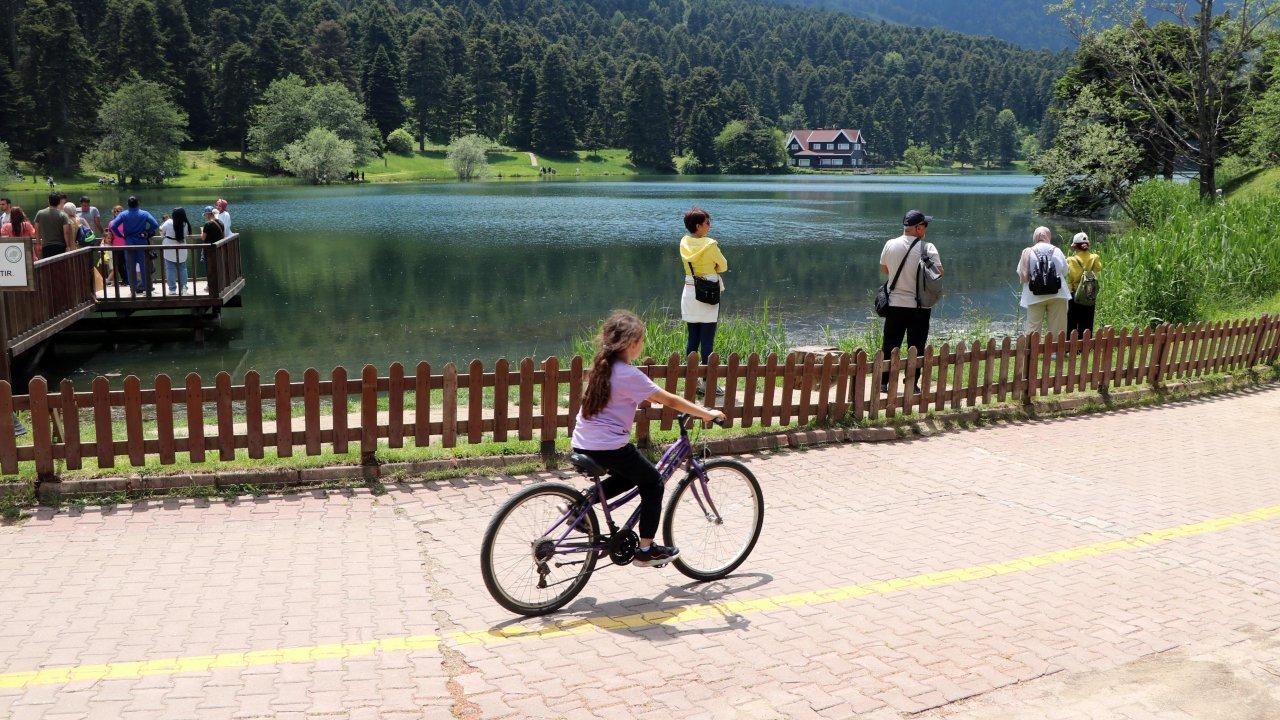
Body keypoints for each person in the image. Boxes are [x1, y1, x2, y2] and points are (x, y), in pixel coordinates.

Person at [570, 311, 725, 567]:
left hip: (583, 442)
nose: (643, 345)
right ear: (632, 344)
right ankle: (646, 550)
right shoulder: (628, 375)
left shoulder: (601, 367)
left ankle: (580, 506)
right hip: (609, 447)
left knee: (630, 475)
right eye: (641, 340)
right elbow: (669, 400)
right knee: (653, 482)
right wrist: (706, 413)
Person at [879, 209, 943, 392]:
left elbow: (884, 270)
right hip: (919, 306)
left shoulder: (890, 244)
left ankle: (884, 383)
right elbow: (939, 273)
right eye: (925, 225)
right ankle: (912, 384)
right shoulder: (927, 248)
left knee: (890, 345)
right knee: (916, 347)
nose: (926, 229)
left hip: (894, 304)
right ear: (918, 228)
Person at [679, 207, 728, 397]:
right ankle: (708, 383)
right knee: (707, 340)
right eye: (707, 222)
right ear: (699, 226)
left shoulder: (684, 242)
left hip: (690, 291)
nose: (710, 225)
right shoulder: (710, 245)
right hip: (708, 293)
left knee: (693, 338)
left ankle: (692, 381)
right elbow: (723, 266)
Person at [1018, 226, 1071, 337]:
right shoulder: (1057, 250)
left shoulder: (1028, 252)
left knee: (1033, 328)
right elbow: (1065, 271)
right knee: (1058, 329)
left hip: (1034, 295)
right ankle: (1055, 348)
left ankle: (1032, 348)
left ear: (1035, 237)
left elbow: (1021, 273)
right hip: (1058, 293)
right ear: (1048, 236)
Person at [109, 196, 159, 294]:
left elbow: (114, 226)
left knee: (130, 267)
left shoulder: (123, 214)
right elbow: (155, 224)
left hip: (129, 244)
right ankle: (147, 288)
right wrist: (147, 232)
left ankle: (133, 289)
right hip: (142, 243)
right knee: (144, 267)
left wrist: (121, 235)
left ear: (128, 205)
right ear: (138, 203)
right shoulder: (144, 213)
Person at [1066, 232, 1103, 338]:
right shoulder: (1094, 257)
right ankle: (1086, 344)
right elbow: (1099, 269)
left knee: (1072, 323)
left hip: (1074, 294)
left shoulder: (1070, 260)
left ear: (1075, 246)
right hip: (1089, 292)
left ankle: (1071, 344)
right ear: (1087, 245)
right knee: (1087, 322)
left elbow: (1068, 277)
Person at [160, 207, 192, 294]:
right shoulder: (185, 224)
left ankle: (172, 289)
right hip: (181, 246)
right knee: (183, 268)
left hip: (169, 246)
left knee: (170, 268)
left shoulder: (168, 222)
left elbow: (162, 231)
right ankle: (183, 288)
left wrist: (162, 232)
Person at [33, 193, 71, 257]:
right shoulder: (63, 215)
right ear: (59, 202)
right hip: (60, 246)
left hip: (46, 246)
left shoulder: (40, 213)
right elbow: (66, 232)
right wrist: (68, 246)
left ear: (48, 201)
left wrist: (38, 244)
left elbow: (37, 230)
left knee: (48, 263)